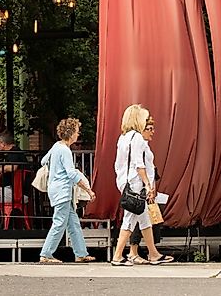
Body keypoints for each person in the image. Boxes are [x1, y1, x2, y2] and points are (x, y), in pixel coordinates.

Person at [110, 105, 172, 265]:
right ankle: (117, 256)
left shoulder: (123, 138)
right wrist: (147, 184)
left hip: (126, 182)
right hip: (136, 183)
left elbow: (118, 164)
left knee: (144, 219)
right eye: (144, 117)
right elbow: (139, 164)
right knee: (129, 219)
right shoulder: (137, 138)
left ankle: (153, 254)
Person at [38, 117, 95, 264]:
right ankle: (46, 254)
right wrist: (88, 189)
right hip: (63, 191)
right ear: (70, 133)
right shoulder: (65, 150)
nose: (78, 134)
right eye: (76, 131)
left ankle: (81, 253)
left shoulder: (56, 146)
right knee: (59, 222)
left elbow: (43, 161)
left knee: (73, 222)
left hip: (56, 190)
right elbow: (71, 173)